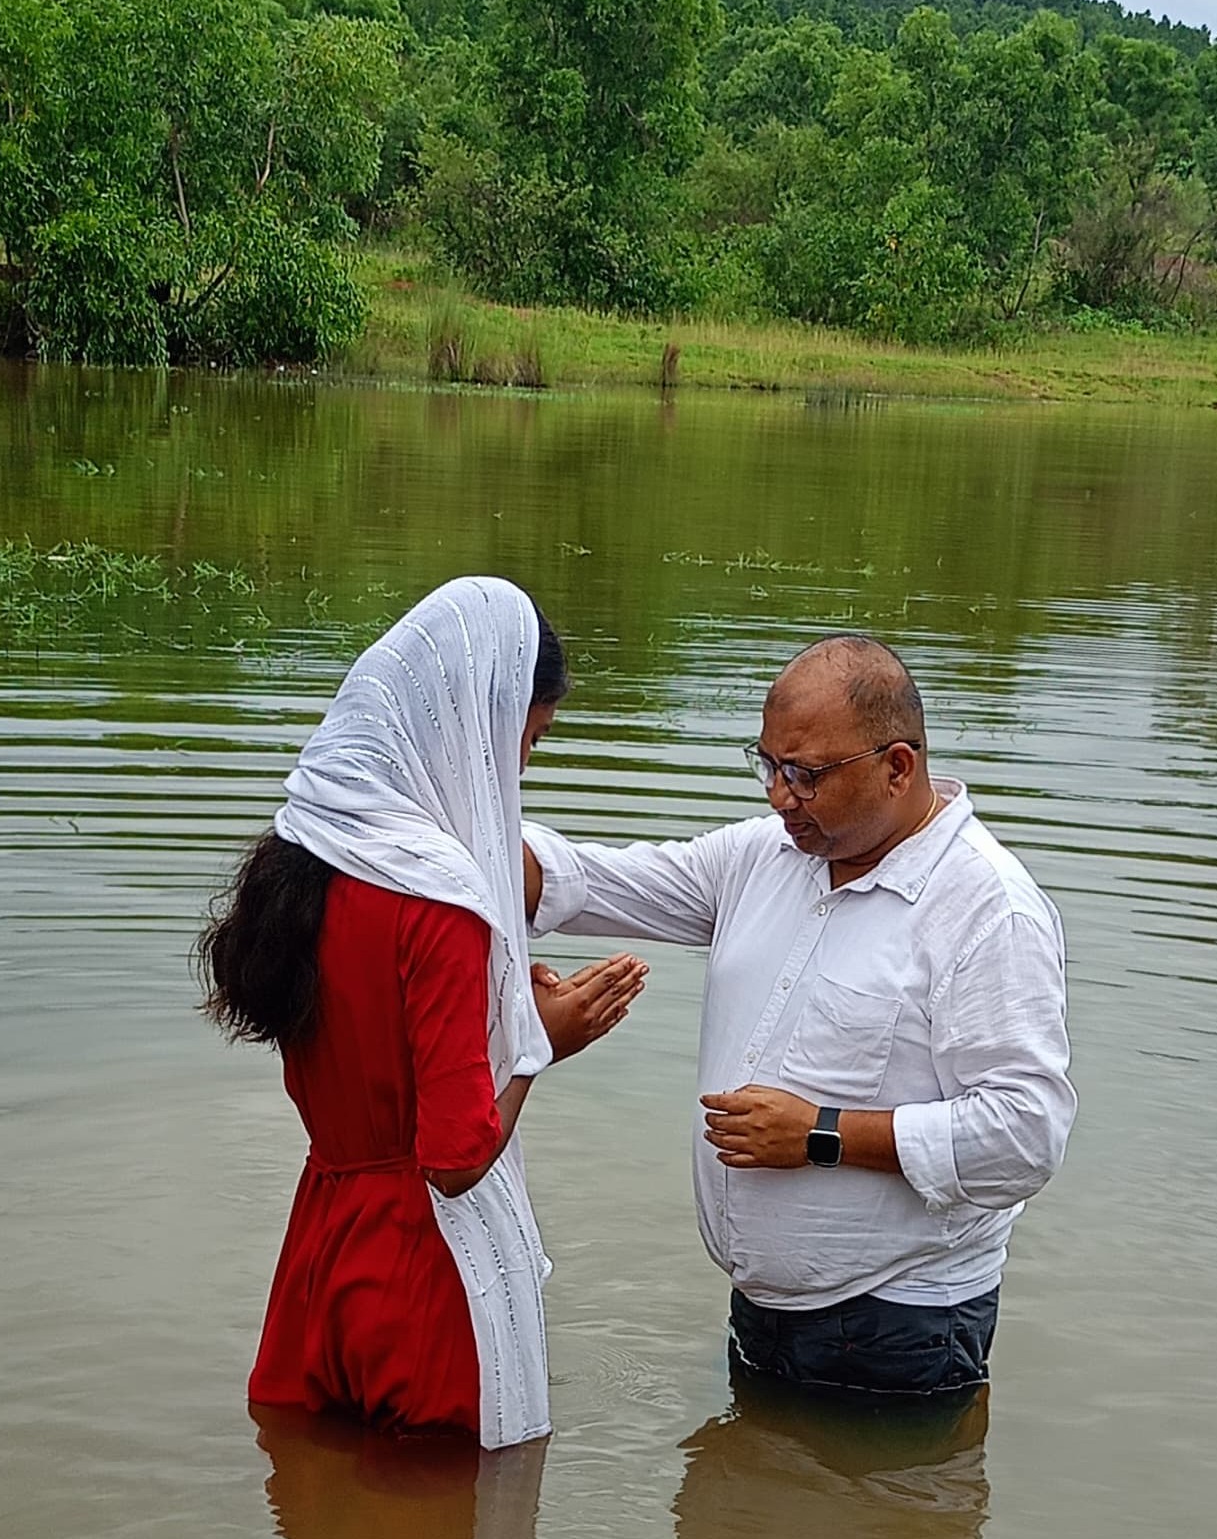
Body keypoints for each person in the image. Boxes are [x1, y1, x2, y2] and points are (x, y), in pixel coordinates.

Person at [525, 632, 1074, 1401]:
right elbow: (589, 881)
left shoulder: (985, 907)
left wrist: (821, 1133)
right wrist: (436, 845)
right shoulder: (765, 856)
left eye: (807, 774)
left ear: (897, 767)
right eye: (769, 765)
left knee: (884, 1515)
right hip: (764, 1309)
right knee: (750, 1506)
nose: (780, 795)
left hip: (901, 1325)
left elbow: (1024, 1135)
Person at [200, 576, 647, 1448]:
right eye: (527, 738)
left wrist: (497, 1006)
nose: (517, 767)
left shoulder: (307, 856)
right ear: (473, 720)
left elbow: (368, 1044)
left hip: (320, 1254)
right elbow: (452, 1158)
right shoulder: (439, 900)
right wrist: (534, 1047)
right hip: (423, 1280)